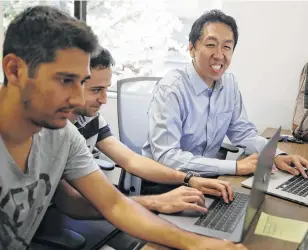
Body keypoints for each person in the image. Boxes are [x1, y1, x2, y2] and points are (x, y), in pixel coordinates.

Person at [0, 6, 248, 250]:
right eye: (65, 81)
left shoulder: (63, 133)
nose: (78, 100)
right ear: (14, 70)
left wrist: (201, 244)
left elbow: (114, 204)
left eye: (82, 82)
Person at [55, 46, 234, 219]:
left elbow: (132, 160)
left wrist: (190, 179)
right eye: (96, 90)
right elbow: (71, 203)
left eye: (105, 89)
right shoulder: (52, 131)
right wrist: (155, 202)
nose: (103, 99)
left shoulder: (89, 118)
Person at [142, 9, 308, 179]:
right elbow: (166, 156)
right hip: (167, 182)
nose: (219, 55)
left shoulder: (229, 85)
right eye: (211, 44)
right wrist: (235, 167)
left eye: (226, 47)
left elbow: (243, 133)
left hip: (205, 180)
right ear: (191, 49)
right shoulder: (171, 90)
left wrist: (275, 155)